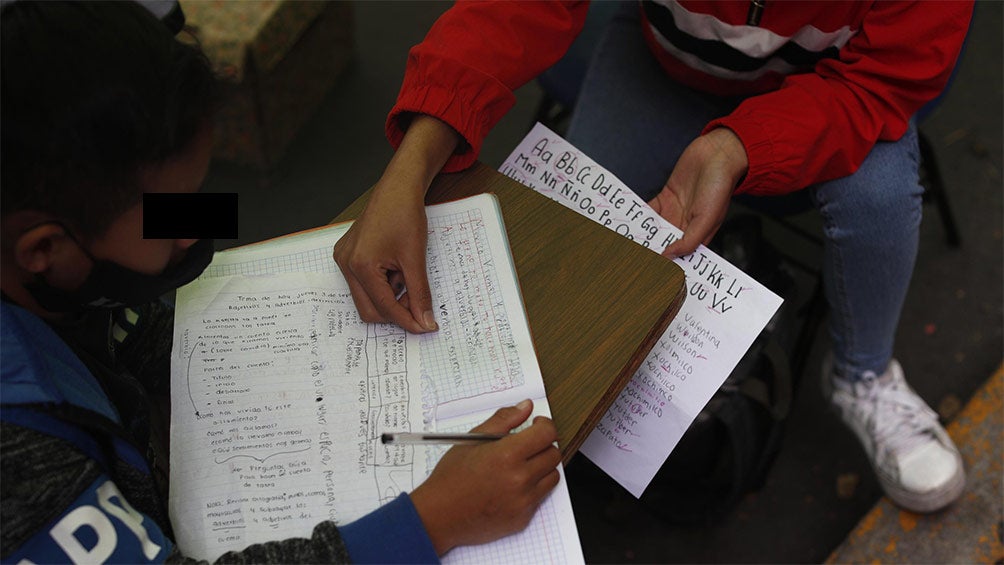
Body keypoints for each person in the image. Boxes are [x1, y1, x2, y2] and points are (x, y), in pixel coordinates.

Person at [332, 0, 974, 513]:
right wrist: (412, 164)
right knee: (568, 269)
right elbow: (514, 7)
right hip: (665, 67)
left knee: (882, 198)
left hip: (833, 87)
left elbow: (884, 82)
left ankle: (863, 375)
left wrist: (739, 144)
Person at [0, 2, 560, 563]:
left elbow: (128, 331)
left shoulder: (68, 259)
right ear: (45, 250)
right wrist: (431, 522)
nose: (201, 228)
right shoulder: (22, 462)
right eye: (168, 214)